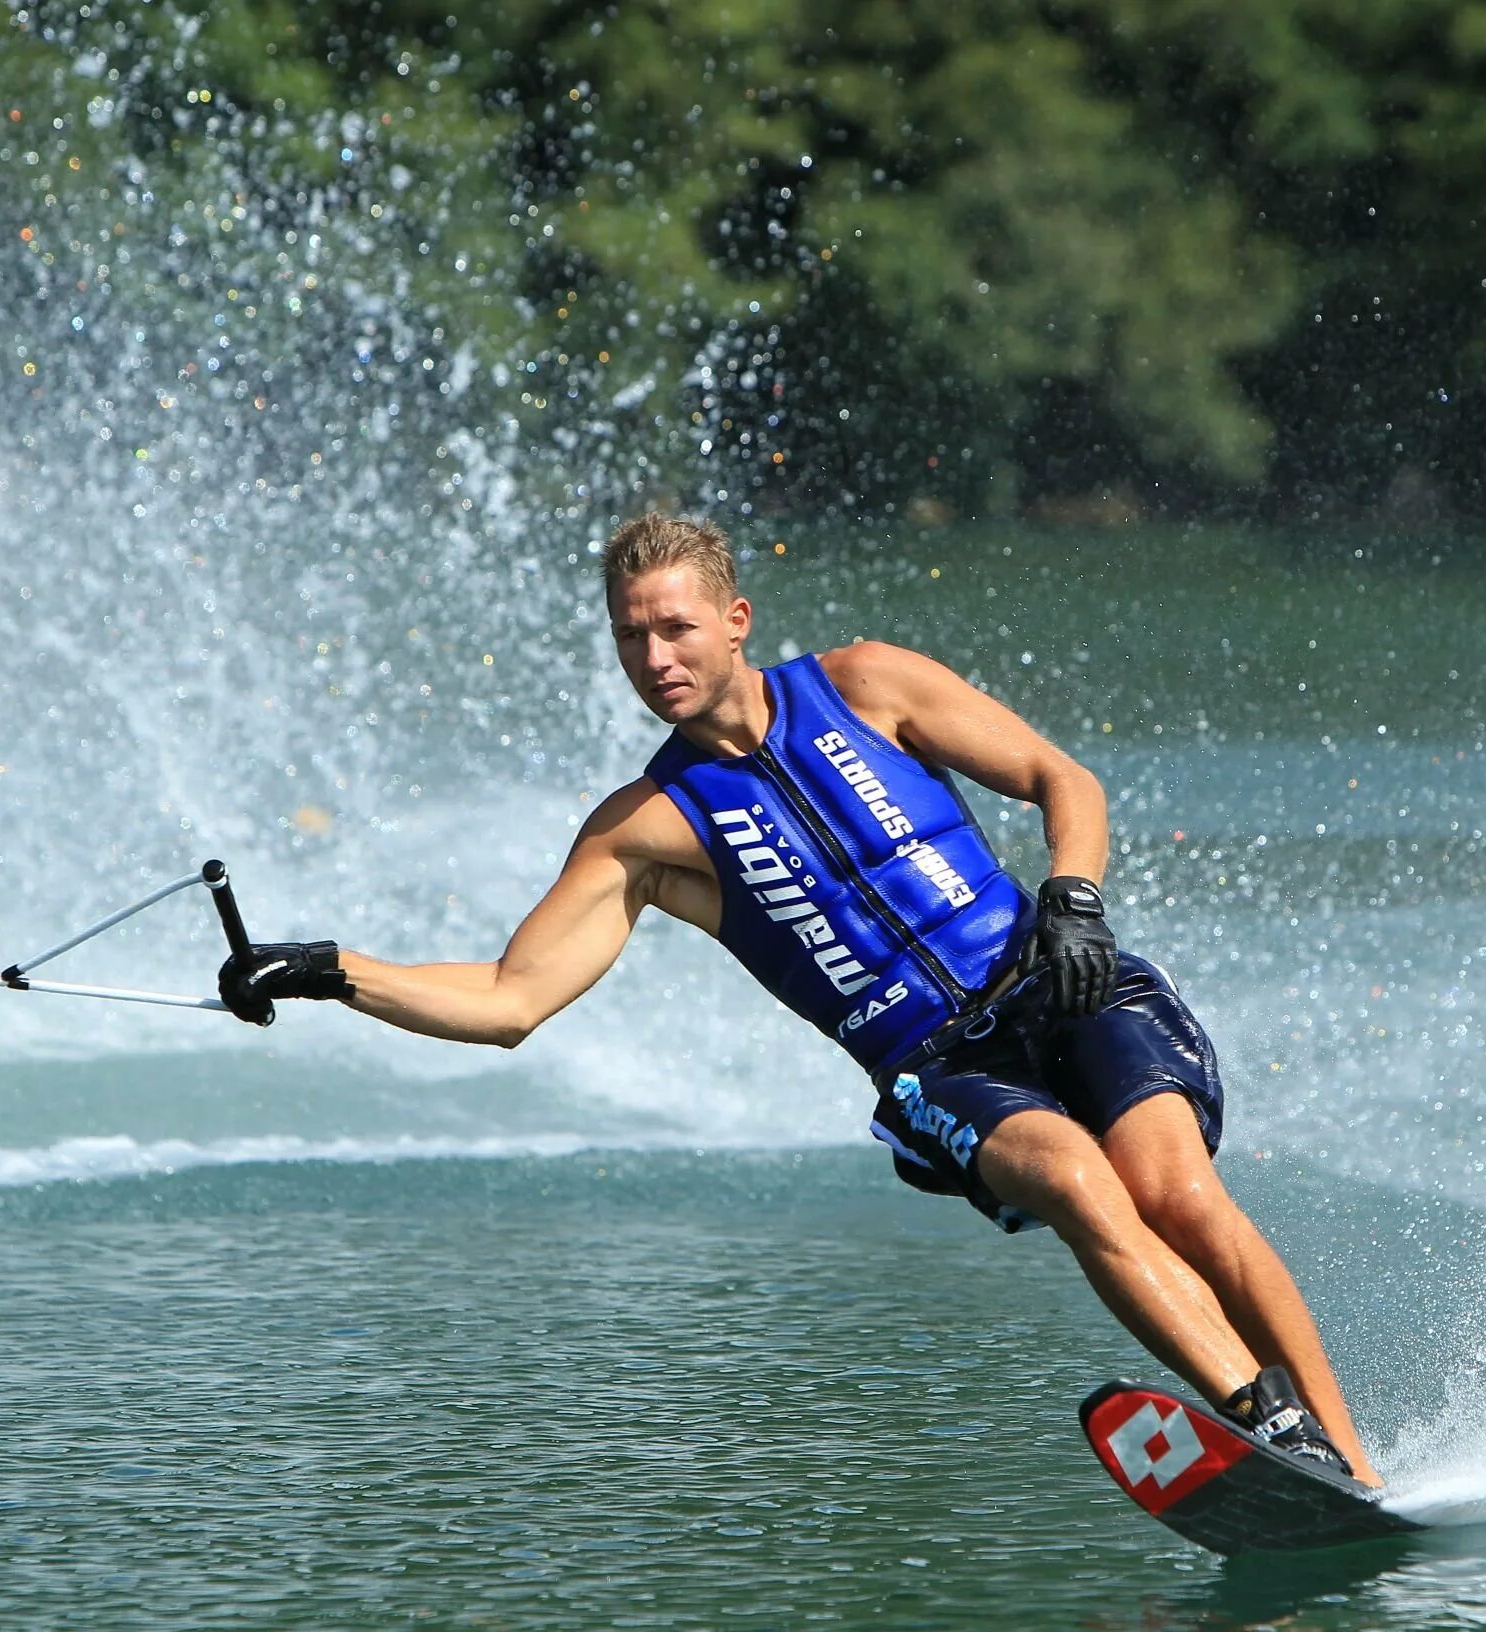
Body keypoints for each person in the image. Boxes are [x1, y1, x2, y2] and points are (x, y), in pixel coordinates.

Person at [219, 514, 1381, 1486]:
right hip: (940, 1066)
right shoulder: (644, 830)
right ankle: (1267, 1423)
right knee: (1079, 1182)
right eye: (631, 637)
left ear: (736, 621)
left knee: (1174, 1191)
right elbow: (512, 998)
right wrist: (333, 971)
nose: (655, 655)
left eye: (675, 626)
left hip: (1060, 973)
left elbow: (1057, 777)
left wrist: (1075, 897)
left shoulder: (866, 681)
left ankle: (1352, 1458)